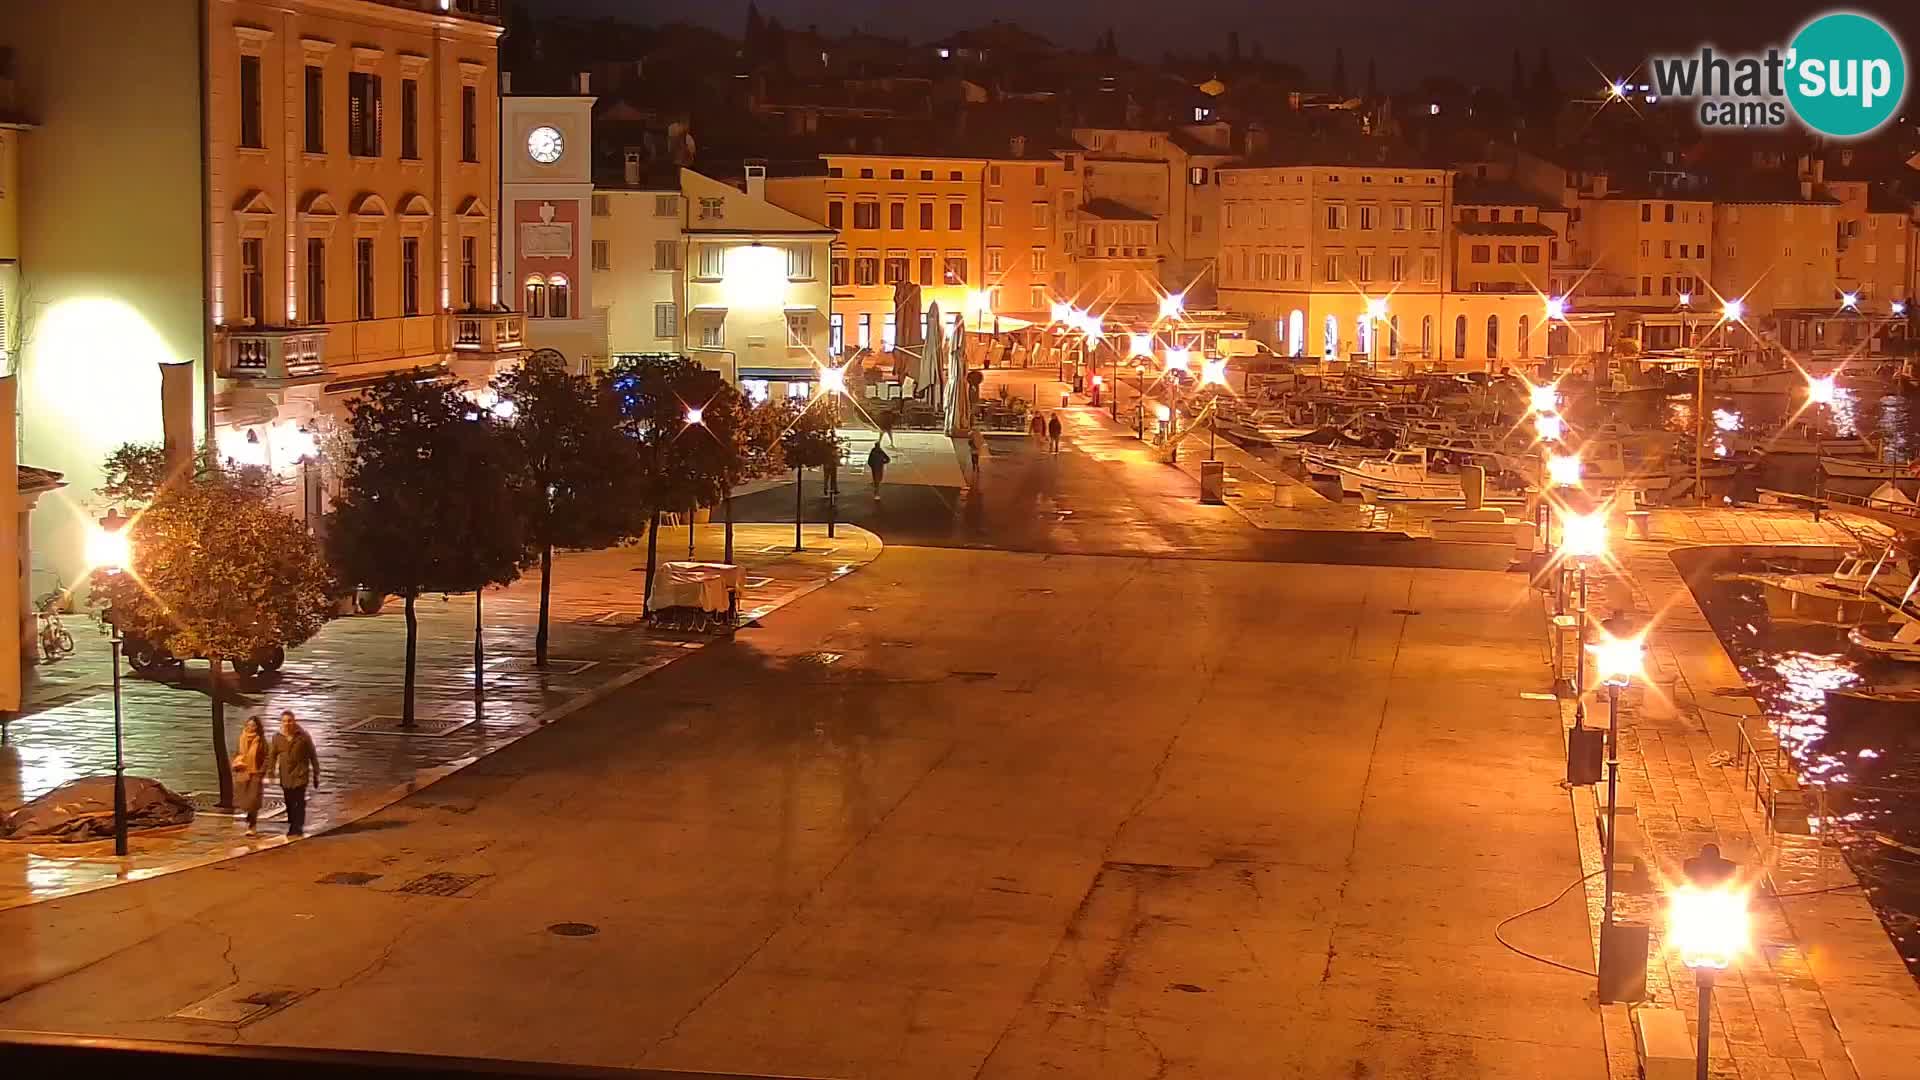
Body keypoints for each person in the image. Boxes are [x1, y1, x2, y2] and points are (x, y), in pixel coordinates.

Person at [272, 710, 321, 837]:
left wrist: (316, 773)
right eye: (284, 721)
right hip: (286, 775)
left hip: (300, 774)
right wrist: (270, 771)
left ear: (294, 721)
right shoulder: (277, 737)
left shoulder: (303, 736)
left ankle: (297, 826)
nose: (287, 723)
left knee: (299, 801)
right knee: (289, 801)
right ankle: (293, 822)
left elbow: (312, 755)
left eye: (289, 720)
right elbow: (272, 756)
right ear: (281, 723)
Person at [232, 715, 271, 836]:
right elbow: (236, 753)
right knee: (245, 799)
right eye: (248, 725)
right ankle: (249, 818)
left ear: (257, 727)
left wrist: (262, 771)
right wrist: (236, 762)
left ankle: (252, 824)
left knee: (253, 799)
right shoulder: (240, 738)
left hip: (256, 773)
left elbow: (267, 757)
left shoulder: (261, 741)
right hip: (243, 771)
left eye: (253, 725)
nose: (250, 728)